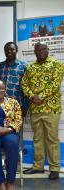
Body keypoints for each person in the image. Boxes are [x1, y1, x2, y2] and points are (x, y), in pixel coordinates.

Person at [22, 43, 64, 180]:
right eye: (37, 50)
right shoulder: (30, 67)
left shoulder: (56, 64)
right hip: (35, 108)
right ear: (34, 52)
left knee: (52, 138)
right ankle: (38, 166)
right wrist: (31, 96)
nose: (40, 52)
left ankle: (54, 168)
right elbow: (24, 83)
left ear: (47, 50)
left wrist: (40, 96)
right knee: (37, 138)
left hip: (51, 108)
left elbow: (55, 84)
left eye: (43, 49)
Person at [0, 42, 28, 116]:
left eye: (12, 49)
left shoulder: (24, 66)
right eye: (7, 50)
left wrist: (25, 106)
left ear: (16, 50)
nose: (9, 51)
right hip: (1, 105)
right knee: (1, 126)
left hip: (18, 105)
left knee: (17, 127)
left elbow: (26, 86)